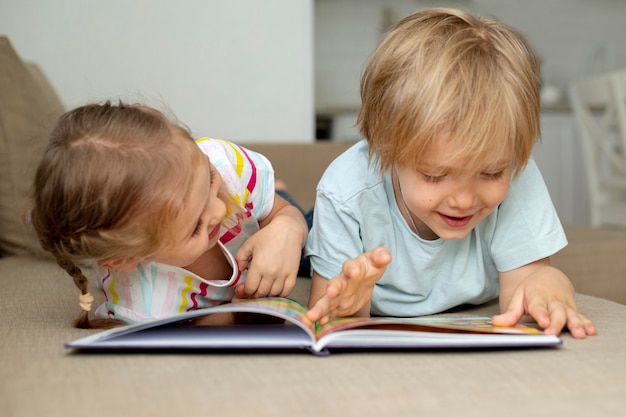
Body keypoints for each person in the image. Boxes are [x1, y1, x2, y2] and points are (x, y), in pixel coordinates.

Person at [305, 8, 597, 339]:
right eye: (434, 175)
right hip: (351, 214)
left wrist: (547, 286)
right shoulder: (345, 191)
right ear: (386, 147)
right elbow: (326, 315)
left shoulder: (517, 177)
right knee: (301, 232)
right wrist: (351, 305)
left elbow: (524, 288)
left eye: (490, 173)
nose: (464, 200)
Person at [30, 101, 308, 328]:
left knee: (294, 212)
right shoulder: (149, 308)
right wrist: (234, 316)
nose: (219, 209)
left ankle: (277, 190)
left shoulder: (222, 165)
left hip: (253, 208)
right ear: (126, 259)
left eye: (209, 182)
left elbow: (282, 212)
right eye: (195, 227)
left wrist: (288, 226)